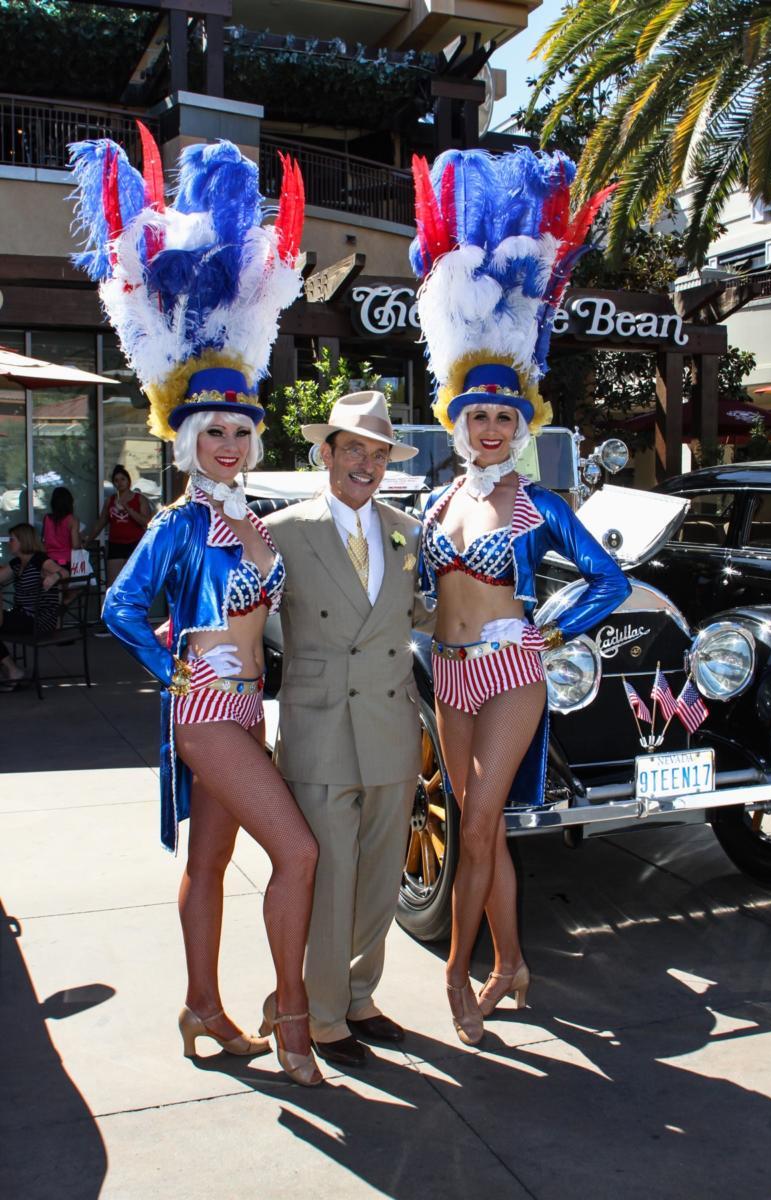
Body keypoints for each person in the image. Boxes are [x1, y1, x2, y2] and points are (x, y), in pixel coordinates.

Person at [69, 131, 320, 1082]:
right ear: (187, 439)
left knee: (210, 865)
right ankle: (291, 1018)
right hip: (209, 712)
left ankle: (201, 1008)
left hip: (247, 708)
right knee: (297, 853)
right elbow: (121, 608)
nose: (229, 445)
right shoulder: (178, 523)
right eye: (214, 431)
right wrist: (173, 667)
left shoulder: (249, 516)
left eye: (240, 431)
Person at [410, 146, 631, 1045]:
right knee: (483, 828)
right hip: (449, 673)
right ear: (458, 422)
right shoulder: (436, 504)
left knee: (477, 824)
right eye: (480, 416)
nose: (494, 427)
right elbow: (415, 593)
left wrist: (548, 628)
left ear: (521, 424)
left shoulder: (540, 503)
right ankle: (513, 964)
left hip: (509, 672)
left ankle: (458, 975)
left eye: (506, 416)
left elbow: (609, 579)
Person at [266, 390, 426, 1069]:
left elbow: (419, 614)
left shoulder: (406, 529)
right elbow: (246, 614)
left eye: (379, 454)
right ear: (325, 454)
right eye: (353, 448)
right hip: (322, 724)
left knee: (381, 876)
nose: (366, 464)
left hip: (391, 721)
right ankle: (323, 1014)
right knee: (330, 879)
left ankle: (361, 996)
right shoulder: (280, 531)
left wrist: (498, 625)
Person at [0, 523, 68, 689]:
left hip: (39, 619)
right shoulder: (17, 563)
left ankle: (12, 670)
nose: (9, 543)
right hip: (22, 616)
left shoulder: (39, 560)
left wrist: (54, 577)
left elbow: (64, 572)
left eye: (12, 539)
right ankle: (11, 669)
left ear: (23, 540)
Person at [85, 465, 151, 586]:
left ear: (128, 481)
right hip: (116, 545)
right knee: (113, 584)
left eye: (122, 479)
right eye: (116, 480)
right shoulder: (110, 501)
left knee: (134, 583)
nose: (119, 483)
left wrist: (128, 508)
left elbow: (146, 522)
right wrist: (88, 540)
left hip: (135, 544)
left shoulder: (140, 499)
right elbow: (100, 523)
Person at [42, 486, 81, 570]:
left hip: (49, 560)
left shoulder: (47, 518)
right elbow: (75, 545)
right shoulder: (72, 520)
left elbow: (44, 540)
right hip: (66, 560)